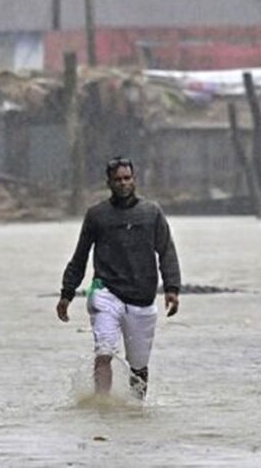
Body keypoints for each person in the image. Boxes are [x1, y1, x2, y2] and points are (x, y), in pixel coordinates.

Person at [56, 156, 181, 399]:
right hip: (106, 291)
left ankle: (136, 409)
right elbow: (80, 255)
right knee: (104, 351)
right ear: (109, 183)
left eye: (127, 178)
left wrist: (172, 288)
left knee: (139, 366)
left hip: (142, 297)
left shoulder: (151, 213)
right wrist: (66, 293)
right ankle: (102, 404)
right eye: (117, 180)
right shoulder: (97, 215)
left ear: (134, 180)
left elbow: (166, 251)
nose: (123, 184)